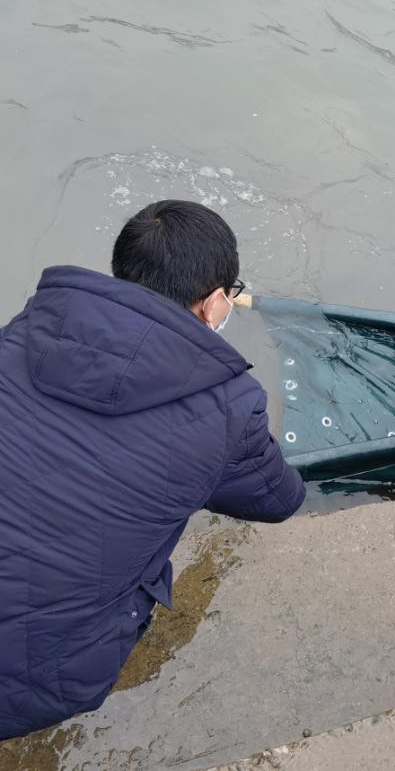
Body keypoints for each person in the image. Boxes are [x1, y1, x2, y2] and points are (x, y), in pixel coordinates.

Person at [0, 200, 305, 739]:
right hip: (36, 681)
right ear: (214, 304)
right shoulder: (231, 405)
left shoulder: (22, 335)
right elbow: (279, 500)